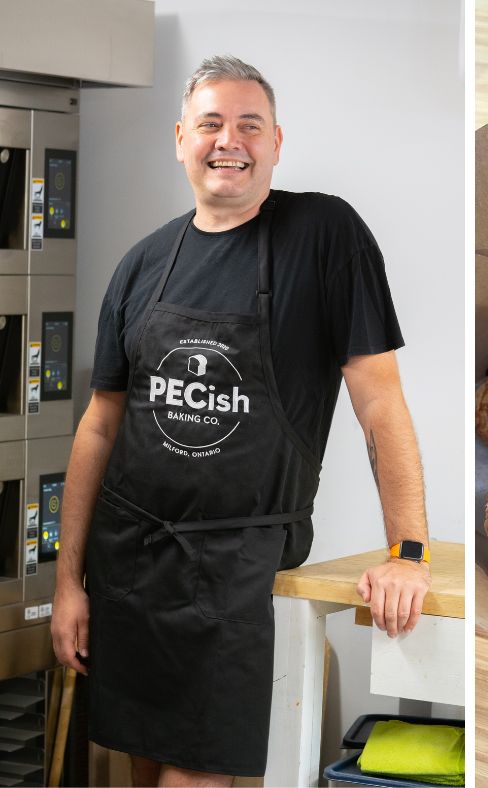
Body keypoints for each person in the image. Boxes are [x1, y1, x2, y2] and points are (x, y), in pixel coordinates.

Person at [49, 55, 432, 787]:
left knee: (193, 779)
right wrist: (71, 583)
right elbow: (100, 427)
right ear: (180, 139)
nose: (230, 141)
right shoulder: (143, 265)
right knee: (144, 770)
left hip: (236, 573)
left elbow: (378, 399)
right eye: (211, 124)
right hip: (130, 565)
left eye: (249, 126)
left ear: (277, 142)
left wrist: (407, 550)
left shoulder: (323, 235)